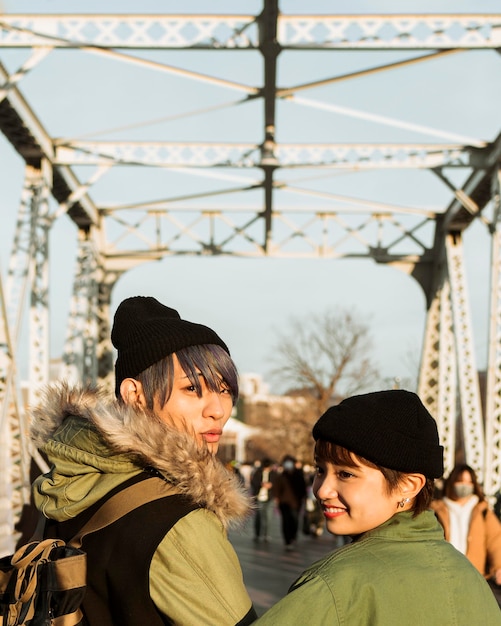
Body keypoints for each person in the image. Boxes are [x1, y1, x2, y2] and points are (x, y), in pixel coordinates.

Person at [29, 296, 257, 626]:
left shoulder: (71, 480)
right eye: (193, 388)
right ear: (135, 396)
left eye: (224, 389)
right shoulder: (177, 519)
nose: (218, 410)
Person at [253, 390, 501, 625]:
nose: (322, 490)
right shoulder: (470, 579)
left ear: (409, 485)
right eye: (320, 469)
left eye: (346, 474)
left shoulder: (337, 585)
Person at [431, 463, 501, 583]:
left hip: (474, 577)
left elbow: (496, 540)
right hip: (442, 576)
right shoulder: (437, 510)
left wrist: (498, 566)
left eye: (469, 482)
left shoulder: (482, 511)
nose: (465, 485)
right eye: (460, 481)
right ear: (452, 482)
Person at [273, 455, 306, 550]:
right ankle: (287, 540)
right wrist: (277, 498)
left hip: (296, 503)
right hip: (284, 503)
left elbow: (302, 488)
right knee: (285, 522)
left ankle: (293, 537)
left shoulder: (298, 475)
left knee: (294, 521)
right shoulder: (281, 476)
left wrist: (303, 498)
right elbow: (276, 488)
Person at [250, 458, 275, 542]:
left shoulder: (274, 474)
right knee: (258, 517)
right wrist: (261, 484)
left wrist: (271, 485)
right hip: (259, 497)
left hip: (270, 498)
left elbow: (277, 484)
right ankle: (257, 534)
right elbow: (253, 482)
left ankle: (266, 534)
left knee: (268, 517)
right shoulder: (258, 472)